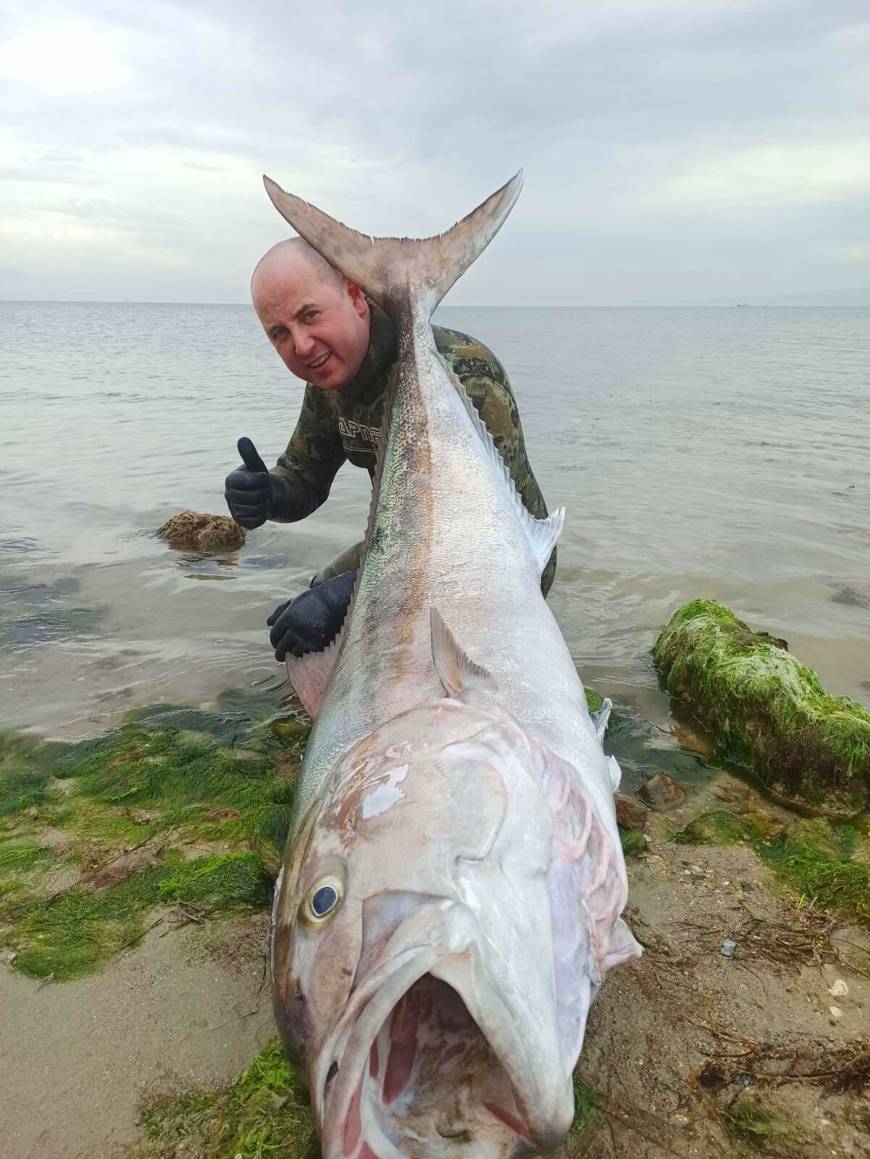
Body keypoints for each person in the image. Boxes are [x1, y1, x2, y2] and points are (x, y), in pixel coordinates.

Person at [225, 238, 555, 661]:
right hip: (407, 549)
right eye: (280, 334)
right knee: (313, 604)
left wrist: (346, 597)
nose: (302, 345)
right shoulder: (329, 383)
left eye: (310, 316)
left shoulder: (463, 370)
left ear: (355, 296)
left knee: (346, 608)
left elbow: (479, 538)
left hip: (504, 562)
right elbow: (305, 480)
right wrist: (267, 494)